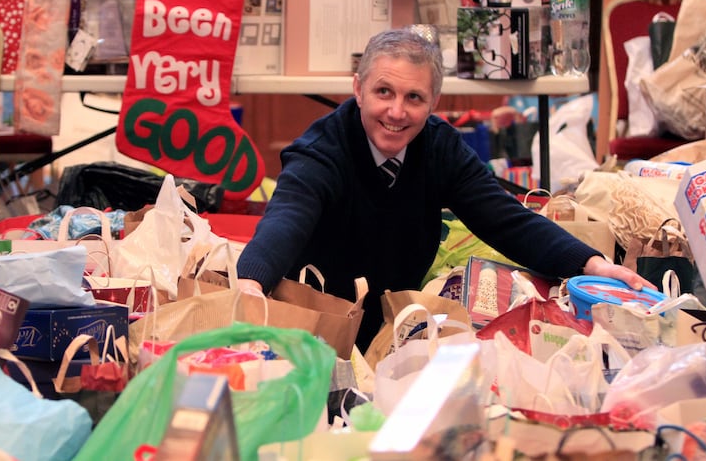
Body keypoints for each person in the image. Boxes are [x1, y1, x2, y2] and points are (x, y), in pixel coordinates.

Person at [236, 27, 653, 351]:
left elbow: (505, 219)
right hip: (315, 324)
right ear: (358, 90)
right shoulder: (321, 150)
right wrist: (251, 283)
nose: (396, 112)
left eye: (413, 97)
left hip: (396, 324)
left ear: (433, 101)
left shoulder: (439, 147)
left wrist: (594, 265)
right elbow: (287, 217)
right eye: (384, 92)